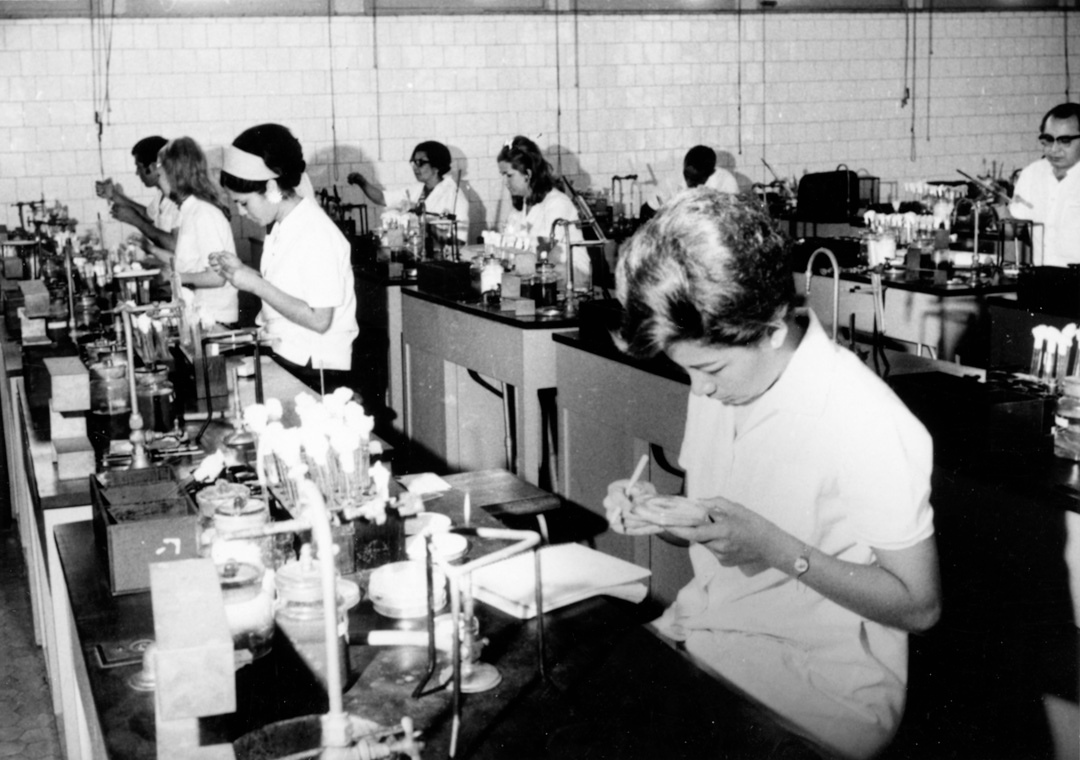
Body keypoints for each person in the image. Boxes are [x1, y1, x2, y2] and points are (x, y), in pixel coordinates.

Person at [603, 189, 942, 760]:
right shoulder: (725, 379)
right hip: (707, 633)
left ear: (769, 328)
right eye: (687, 371)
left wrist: (773, 546)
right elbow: (716, 524)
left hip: (818, 688)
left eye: (708, 370)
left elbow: (920, 605)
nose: (700, 390)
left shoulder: (865, 419)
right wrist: (658, 513)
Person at [212, 123, 358, 395]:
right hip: (291, 356)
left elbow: (319, 320)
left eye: (244, 202)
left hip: (317, 369)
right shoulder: (283, 227)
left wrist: (255, 285)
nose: (242, 213)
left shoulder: (315, 232)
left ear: (270, 188)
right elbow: (288, 294)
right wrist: (243, 273)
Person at [155, 137, 238, 327]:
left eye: (160, 175)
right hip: (201, 316)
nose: (158, 182)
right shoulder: (189, 211)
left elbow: (217, 277)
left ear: (174, 175)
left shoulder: (203, 214)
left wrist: (177, 278)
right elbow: (192, 262)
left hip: (217, 320)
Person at [497, 136, 587, 285]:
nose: (505, 182)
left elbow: (544, 256)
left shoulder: (557, 203)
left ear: (528, 174)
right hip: (540, 282)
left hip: (572, 283)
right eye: (502, 175)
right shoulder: (519, 209)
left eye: (509, 175)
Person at [347, 140, 470, 246]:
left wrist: (424, 223)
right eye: (413, 162)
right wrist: (362, 182)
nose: (415, 167)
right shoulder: (415, 190)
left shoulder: (454, 196)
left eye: (420, 163)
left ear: (436, 166)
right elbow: (382, 198)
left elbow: (458, 241)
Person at [1009, 102, 1080, 268]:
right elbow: (1014, 229)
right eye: (1048, 140)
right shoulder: (1031, 174)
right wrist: (998, 204)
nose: (1054, 149)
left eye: (1065, 141)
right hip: (1041, 280)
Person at [95, 135, 179, 251]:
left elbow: (175, 245)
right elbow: (148, 215)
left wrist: (135, 220)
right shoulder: (161, 195)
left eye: (139, 167)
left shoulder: (180, 198)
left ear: (153, 167)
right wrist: (114, 195)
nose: (137, 173)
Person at [643, 145, 740, 216]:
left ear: (710, 173)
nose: (688, 181)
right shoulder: (672, 180)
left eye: (695, 179)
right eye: (686, 175)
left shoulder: (726, 182)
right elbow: (648, 209)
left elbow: (734, 216)